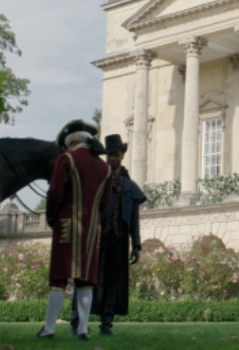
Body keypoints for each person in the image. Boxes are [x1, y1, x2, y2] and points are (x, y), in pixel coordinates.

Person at [37, 120, 112, 340]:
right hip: (92, 229)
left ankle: (49, 328)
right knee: (86, 279)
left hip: (67, 225)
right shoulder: (105, 167)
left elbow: (55, 193)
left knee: (59, 278)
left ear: (73, 143)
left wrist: (52, 217)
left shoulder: (67, 159)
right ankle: (83, 328)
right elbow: (105, 203)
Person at [70, 134, 147, 337]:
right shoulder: (98, 181)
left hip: (119, 240)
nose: (114, 159)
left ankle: (106, 324)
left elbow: (134, 219)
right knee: (86, 278)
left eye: (117, 155)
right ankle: (76, 321)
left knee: (113, 282)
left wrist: (136, 245)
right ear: (107, 157)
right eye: (110, 155)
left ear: (122, 156)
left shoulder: (130, 187)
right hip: (96, 237)